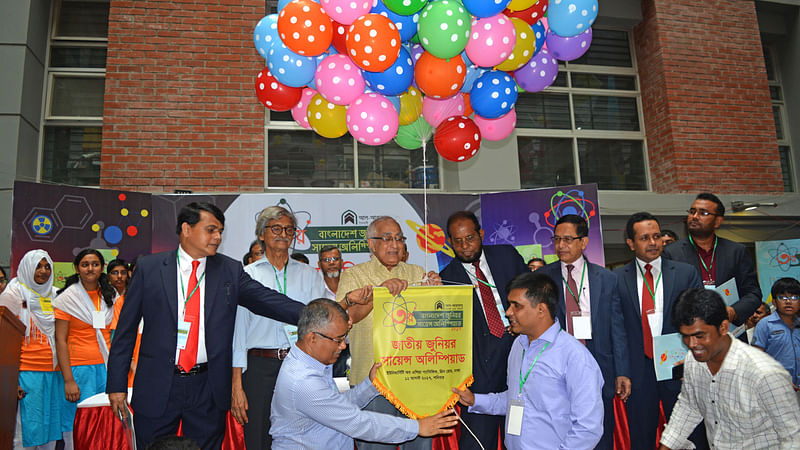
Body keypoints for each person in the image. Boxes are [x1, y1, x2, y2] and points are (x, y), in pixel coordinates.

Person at [106, 202, 307, 450]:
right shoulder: (150, 268)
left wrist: (315, 316)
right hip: (158, 383)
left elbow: (268, 301)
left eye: (220, 231)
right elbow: (124, 332)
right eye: (211, 230)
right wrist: (116, 385)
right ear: (187, 229)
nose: (218, 237)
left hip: (207, 387)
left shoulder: (229, 270)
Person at [270, 298, 459, 449]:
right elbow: (357, 423)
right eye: (338, 340)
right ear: (312, 338)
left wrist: (371, 385)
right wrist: (418, 427)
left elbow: (339, 407)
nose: (343, 346)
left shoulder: (312, 362)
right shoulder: (303, 381)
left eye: (344, 338)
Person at [452, 273, 604, 449]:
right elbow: (516, 398)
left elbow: (588, 428)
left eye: (516, 306)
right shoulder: (519, 345)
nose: (508, 312)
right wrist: (474, 400)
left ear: (541, 310)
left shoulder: (575, 357)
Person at [336, 216, 441, 450]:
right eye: (386, 239)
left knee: (420, 445)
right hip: (372, 382)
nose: (394, 244)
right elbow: (346, 319)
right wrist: (379, 294)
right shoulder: (354, 275)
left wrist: (436, 293)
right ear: (371, 244)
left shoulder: (417, 272)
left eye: (399, 238)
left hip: (416, 379)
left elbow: (432, 322)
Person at [230, 206, 327, 450]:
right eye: (276, 228)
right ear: (261, 234)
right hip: (259, 368)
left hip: (300, 365)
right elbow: (238, 335)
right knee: (259, 436)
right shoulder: (246, 276)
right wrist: (236, 386)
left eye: (289, 229)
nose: (283, 233)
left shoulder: (310, 275)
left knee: (303, 434)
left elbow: (322, 327)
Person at [659, 288, 800, 449]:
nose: (692, 345)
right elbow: (690, 406)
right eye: (685, 336)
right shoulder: (694, 361)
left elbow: (792, 437)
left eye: (700, 336)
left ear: (724, 327)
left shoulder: (764, 373)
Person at [536, 214, 630, 450]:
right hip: (556, 370)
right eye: (557, 239)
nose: (560, 246)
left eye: (568, 239)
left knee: (598, 436)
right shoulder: (542, 279)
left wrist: (622, 371)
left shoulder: (607, 278)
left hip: (599, 367)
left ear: (584, 242)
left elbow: (617, 328)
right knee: (560, 435)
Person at [439, 211, 529, 450]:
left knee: (522, 438)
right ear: (450, 242)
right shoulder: (446, 278)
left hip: (520, 358)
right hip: (480, 374)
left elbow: (531, 294)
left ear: (481, 234)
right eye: (457, 241)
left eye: (470, 238)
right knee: (478, 443)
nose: (465, 246)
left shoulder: (506, 255)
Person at [614, 212, 704, 449]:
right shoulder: (616, 279)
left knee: (690, 435)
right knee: (641, 436)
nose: (653, 243)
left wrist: (693, 361)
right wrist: (622, 371)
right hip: (639, 370)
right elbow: (618, 330)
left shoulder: (685, 273)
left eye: (656, 236)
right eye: (644, 238)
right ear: (631, 243)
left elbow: (699, 320)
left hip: (678, 366)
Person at [0, 250, 74, 449]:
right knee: (25, 432)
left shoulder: (58, 294)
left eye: (47, 266)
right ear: (26, 267)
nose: (43, 271)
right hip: (26, 372)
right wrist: (9, 381)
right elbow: (4, 338)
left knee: (50, 430)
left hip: (54, 372)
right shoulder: (13, 294)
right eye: (38, 266)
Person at [662, 193, 762, 329]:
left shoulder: (736, 251)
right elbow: (665, 297)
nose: (695, 217)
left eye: (703, 213)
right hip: (690, 331)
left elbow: (753, 293)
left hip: (729, 330)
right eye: (692, 212)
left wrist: (734, 311)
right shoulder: (671, 253)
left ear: (718, 221)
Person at [53, 249, 117, 420]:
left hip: (106, 367)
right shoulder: (67, 299)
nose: (90, 268)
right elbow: (60, 340)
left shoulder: (111, 296)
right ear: (76, 269)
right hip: (78, 368)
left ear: (102, 268)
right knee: (79, 422)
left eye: (95, 264)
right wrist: (68, 380)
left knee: (105, 421)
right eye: (85, 264)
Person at [753, 278, 800, 388]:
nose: (788, 302)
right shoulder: (765, 324)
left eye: (794, 297)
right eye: (782, 297)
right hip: (775, 388)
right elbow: (756, 359)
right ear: (774, 302)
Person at [317, 245, 349, 376]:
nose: (331, 263)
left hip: (352, 348)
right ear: (319, 264)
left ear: (341, 262)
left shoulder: (352, 285)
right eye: (326, 260)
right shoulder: (315, 288)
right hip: (326, 351)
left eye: (335, 259)